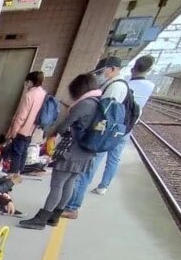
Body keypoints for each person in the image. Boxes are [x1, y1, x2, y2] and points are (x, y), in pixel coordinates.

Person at [19, 73, 102, 229]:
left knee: (57, 185)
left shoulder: (85, 104)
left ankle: (41, 219)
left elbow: (64, 126)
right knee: (69, 183)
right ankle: (55, 216)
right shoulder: (98, 103)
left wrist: (55, 132)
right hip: (87, 152)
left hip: (72, 151)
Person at [62, 57, 134, 217]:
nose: (100, 75)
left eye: (102, 71)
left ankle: (72, 206)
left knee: (84, 171)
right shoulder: (116, 85)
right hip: (105, 135)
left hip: (100, 136)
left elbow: (104, 116)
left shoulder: (115, 87)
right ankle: (70, 204)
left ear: (113, 69)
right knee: (84, 170)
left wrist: (88, 134)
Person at [90, 55, 155, 196]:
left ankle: (86, 181)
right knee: (114, 158)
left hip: (113, 125)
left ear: (132, 69)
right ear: (148, 70)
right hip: (128, 127)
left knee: (99, 154)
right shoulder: (150, 86)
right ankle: (103, 186)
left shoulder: (123, 85)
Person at [4, 71, 47, 175]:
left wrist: (14, 131)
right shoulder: (44, 94)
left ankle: (13, 175)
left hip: (22, 129)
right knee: (24, 151)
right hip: (33, 129)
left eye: (26, 82)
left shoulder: (29, 95)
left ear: (30, 82)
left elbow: (21, 115)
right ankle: (20, 172)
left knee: (16, 152)